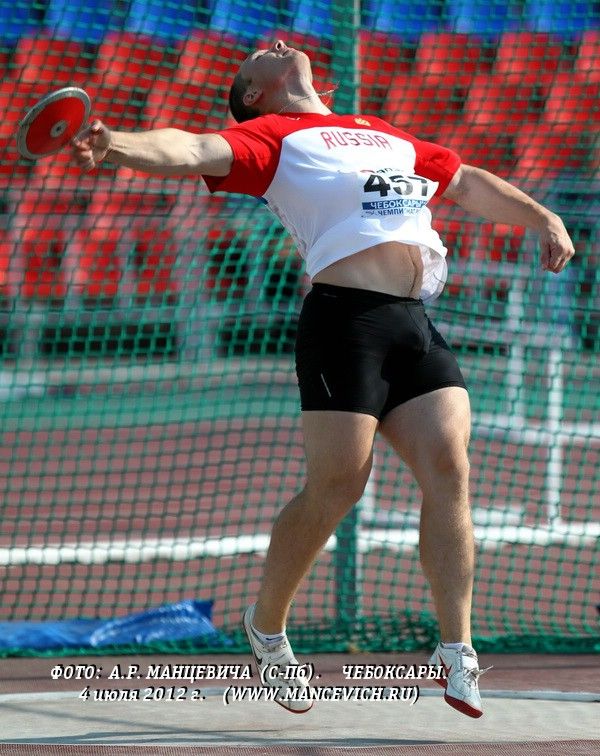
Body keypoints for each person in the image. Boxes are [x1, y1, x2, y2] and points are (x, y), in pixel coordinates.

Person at [71, 39, 575, 718]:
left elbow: (466, 181)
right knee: (338, 486)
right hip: (345, 325)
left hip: (414, 322)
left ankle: (456, 647)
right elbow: (189, 149)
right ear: (254, 92)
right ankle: (267, 628)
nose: (279, 43)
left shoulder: (379, 131)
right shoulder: (269, 138)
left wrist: (543, 216)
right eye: (259, 54)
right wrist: (114, 145)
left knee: (450, 467)